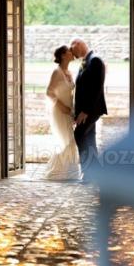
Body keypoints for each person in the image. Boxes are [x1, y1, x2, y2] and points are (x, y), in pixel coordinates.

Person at [70, 38, 107, 177]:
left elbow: (96, 89)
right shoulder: (87, 61)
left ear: (78, 45)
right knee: (89, 138)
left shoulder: (95, 60)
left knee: (79, 135)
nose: (73, 55)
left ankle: (90, 171)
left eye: (73, 50)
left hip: (91, 109)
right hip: (86, 109)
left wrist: (85, 111)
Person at [44, 45, 82, 181]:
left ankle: (68, 172)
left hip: (69, 110)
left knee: (70, 140)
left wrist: (72, 110)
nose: (72, 53)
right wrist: (61, 107)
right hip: (59, 111)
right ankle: (58, 172)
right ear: (63, 55)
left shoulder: (69, 72)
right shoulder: (57, 72)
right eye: (69, 52)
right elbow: (49, 92)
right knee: (67, 141)